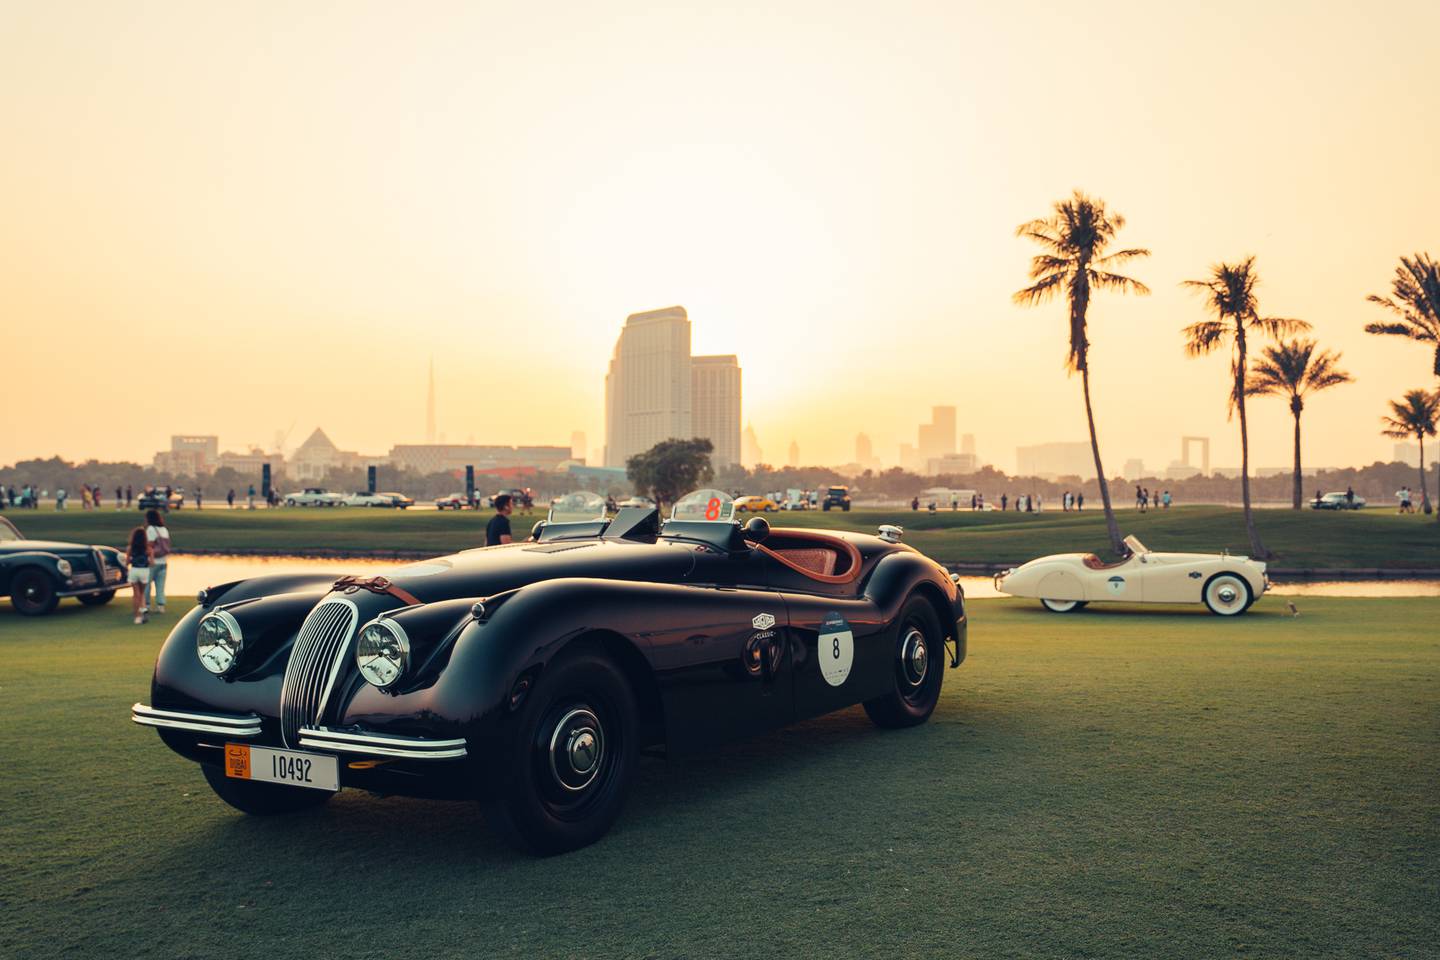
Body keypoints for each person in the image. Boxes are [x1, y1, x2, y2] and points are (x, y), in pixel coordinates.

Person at [144, 508, 172, 614]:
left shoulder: (151, 529)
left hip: (153, 561)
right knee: (160, 585)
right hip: (164, 561)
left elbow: (150, 545)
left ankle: (146, 605)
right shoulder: (164, 529)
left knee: (147, 584)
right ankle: (161, 606)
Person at [124, 525, 153, 624]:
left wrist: (132, 560)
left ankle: (137, 617)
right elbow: (152, 563)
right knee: (142, 593)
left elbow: (127, 562)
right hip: (144, 571)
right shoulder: (148, 549)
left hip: (134, 571)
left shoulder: (130, 548)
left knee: (136, 594)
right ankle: (143, 610)